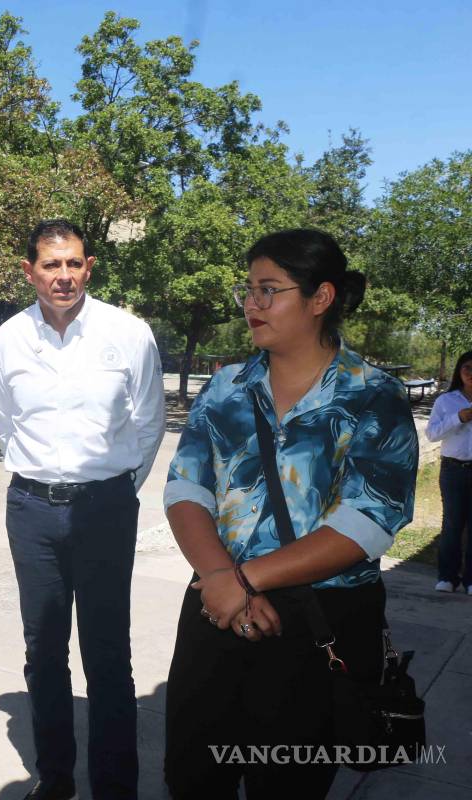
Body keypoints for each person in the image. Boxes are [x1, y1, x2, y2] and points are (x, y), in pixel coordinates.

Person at [162, 228, 418, 798]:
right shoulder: (227, 387)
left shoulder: (372, 395)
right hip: (217, 608)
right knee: (194, 775)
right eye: (248, 290)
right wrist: (221, 580)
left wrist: (245, 579)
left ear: (320, 298)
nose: (252, 305)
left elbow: (369, 519)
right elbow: (186, 488)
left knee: (290, 782)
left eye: (269, 290)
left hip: (321, 620)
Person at [0, 219, 166, 800]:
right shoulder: (8, 339)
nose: (62, 276)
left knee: (109, 653)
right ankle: (56, 778)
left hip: (105, 510)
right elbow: (5, 425)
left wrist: (112, 489)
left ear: (89, 267)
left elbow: (147, 424)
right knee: (42, 650)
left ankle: (115, 788)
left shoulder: (128, 334)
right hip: (33, 511)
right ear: (29, 271)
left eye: (72, 264)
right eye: (50, 265)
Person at [425, 350, 472, 593]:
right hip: (453, 470)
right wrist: (458, 418)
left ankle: (471, 580)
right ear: (459, 371)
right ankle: (447, 576)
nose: (471, 374)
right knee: (452, 523)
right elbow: (432, 434)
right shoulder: (447, 401)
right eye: (467, 368)